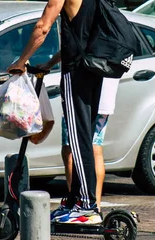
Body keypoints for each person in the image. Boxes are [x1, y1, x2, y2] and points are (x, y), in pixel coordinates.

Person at [8, 0, 107, 224]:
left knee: (78, 138)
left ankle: (87, 207)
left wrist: (21, 61)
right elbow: (85, 34)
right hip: (96, 69)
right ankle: (77, 200)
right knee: (84, 135)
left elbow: (43, 26)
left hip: (77, 71)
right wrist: (50, 63)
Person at [37, 52, 119, 213]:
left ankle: (79, 203)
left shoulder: (82, 25)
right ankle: (95, 206)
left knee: (71, 149)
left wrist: (49, 63)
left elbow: (76, 44)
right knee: (95, 147)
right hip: (105, 87)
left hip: (84, 89)